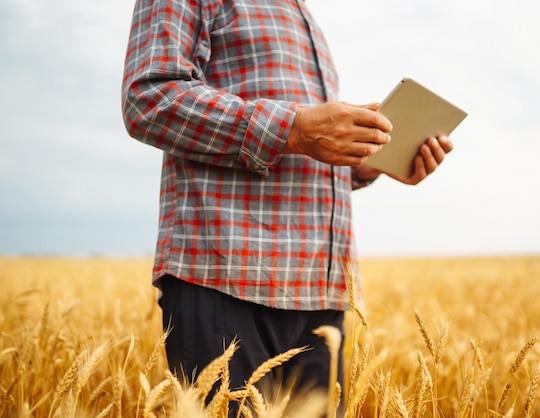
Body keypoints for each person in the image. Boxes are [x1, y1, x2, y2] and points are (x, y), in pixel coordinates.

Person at [121, 0, 453, 411]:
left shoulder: (303, 15)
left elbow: (300, 151)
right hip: (226, 277)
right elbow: (149, 98)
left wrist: (369, 163)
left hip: (322, 293)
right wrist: (295, 128)